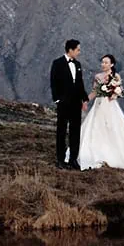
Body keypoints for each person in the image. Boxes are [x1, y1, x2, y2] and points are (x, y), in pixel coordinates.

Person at [49, 39, 89, 169]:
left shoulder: (77, 64)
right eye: (78, 49)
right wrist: (57, 99)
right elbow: (53, 82)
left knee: (75, 131)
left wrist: (84, 98)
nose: (79, 52)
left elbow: (79, 83)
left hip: (76, 103)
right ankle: (60, 159)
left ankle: (73, 159)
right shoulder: (57, 63)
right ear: (70, 50)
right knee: (61, 130)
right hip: (63, 103)